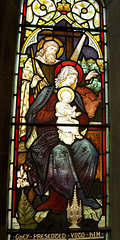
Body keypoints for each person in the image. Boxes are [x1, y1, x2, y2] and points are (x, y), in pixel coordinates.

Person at [25, 63, 101, 214]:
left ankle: (82, 194)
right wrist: (58, 114)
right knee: (60, 152)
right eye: (70, 78)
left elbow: (84, 118)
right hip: (48, 138)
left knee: (89, 150)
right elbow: (34, 116)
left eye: (74, 79)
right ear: (62, 76)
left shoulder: (75, 96)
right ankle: (69, 197)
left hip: (72, 135)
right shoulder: (48, 93)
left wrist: (75, 120)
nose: (72, 82)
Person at [19, 40, 60, 138]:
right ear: (44, 50)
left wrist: (86, 79)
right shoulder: (33, 62)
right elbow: (24, 82)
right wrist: (32, 84)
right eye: (51, 49)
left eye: (55, 50)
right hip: (38, 99)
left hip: (55, 99)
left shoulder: (59, 65)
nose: (53, 52)